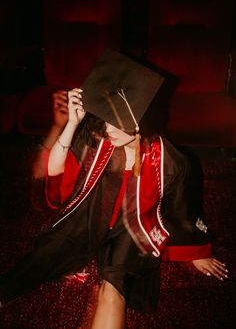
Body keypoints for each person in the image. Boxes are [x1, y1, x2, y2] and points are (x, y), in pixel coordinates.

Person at [0, 49, 228, 329]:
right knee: (40, 258)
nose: (109, 128)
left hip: (130, 229)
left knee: (113, 288)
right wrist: (71, 125)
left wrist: (197, 251)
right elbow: (54, 171)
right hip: (89, 217)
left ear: (143, 123)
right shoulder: (97, 136)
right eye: (108, 117)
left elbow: (182, 210)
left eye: (120, 123)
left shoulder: (171, 163)